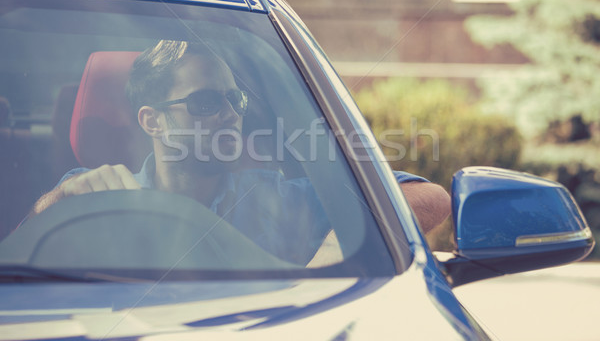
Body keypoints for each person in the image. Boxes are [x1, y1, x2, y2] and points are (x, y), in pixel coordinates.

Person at [32, 40, 451, 263]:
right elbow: (13, 261)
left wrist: (334, 249)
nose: (232, 114)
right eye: (206, 103)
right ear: (152, 121)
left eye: (236, 100)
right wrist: (57, 202)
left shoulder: (277, 199)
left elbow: (429, 197)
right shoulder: (92, 198)